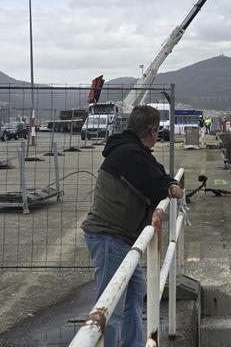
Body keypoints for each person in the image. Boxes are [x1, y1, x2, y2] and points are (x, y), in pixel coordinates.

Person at [81, 105, 183, 347]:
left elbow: (158, 173)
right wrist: (169, 186)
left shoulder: (134, 151)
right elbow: (154, 183)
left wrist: (168, 182)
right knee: (111, 307)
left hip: (122, 239)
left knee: (134, 294)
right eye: (157, 131)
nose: (158, 135)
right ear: (152, 130)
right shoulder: (130, 154)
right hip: (109, 237)